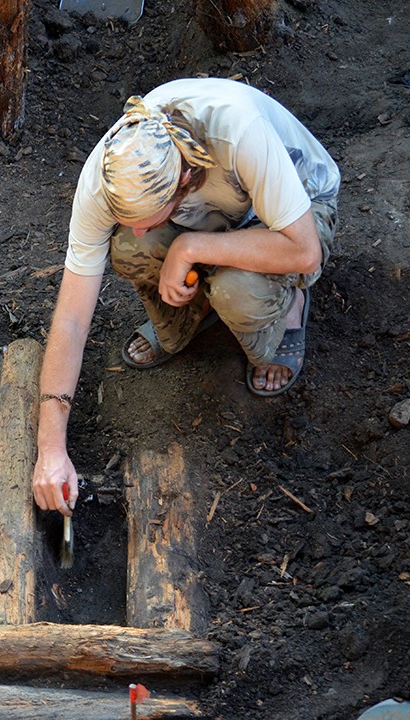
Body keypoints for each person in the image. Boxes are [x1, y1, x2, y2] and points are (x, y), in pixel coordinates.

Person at [31, 77, 340, 516]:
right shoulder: (110, 175)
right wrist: (50, 449)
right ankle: (190, 315)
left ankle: (288, 309)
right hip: (214, 216)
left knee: (239, 290)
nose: (137, 227)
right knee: (129, 247)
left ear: (187, 179)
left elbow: (304, 251)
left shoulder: (238, 133)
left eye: (145, 217)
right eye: (126, 216)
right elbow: (71, 319)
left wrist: (189, 247)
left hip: (297, 213)